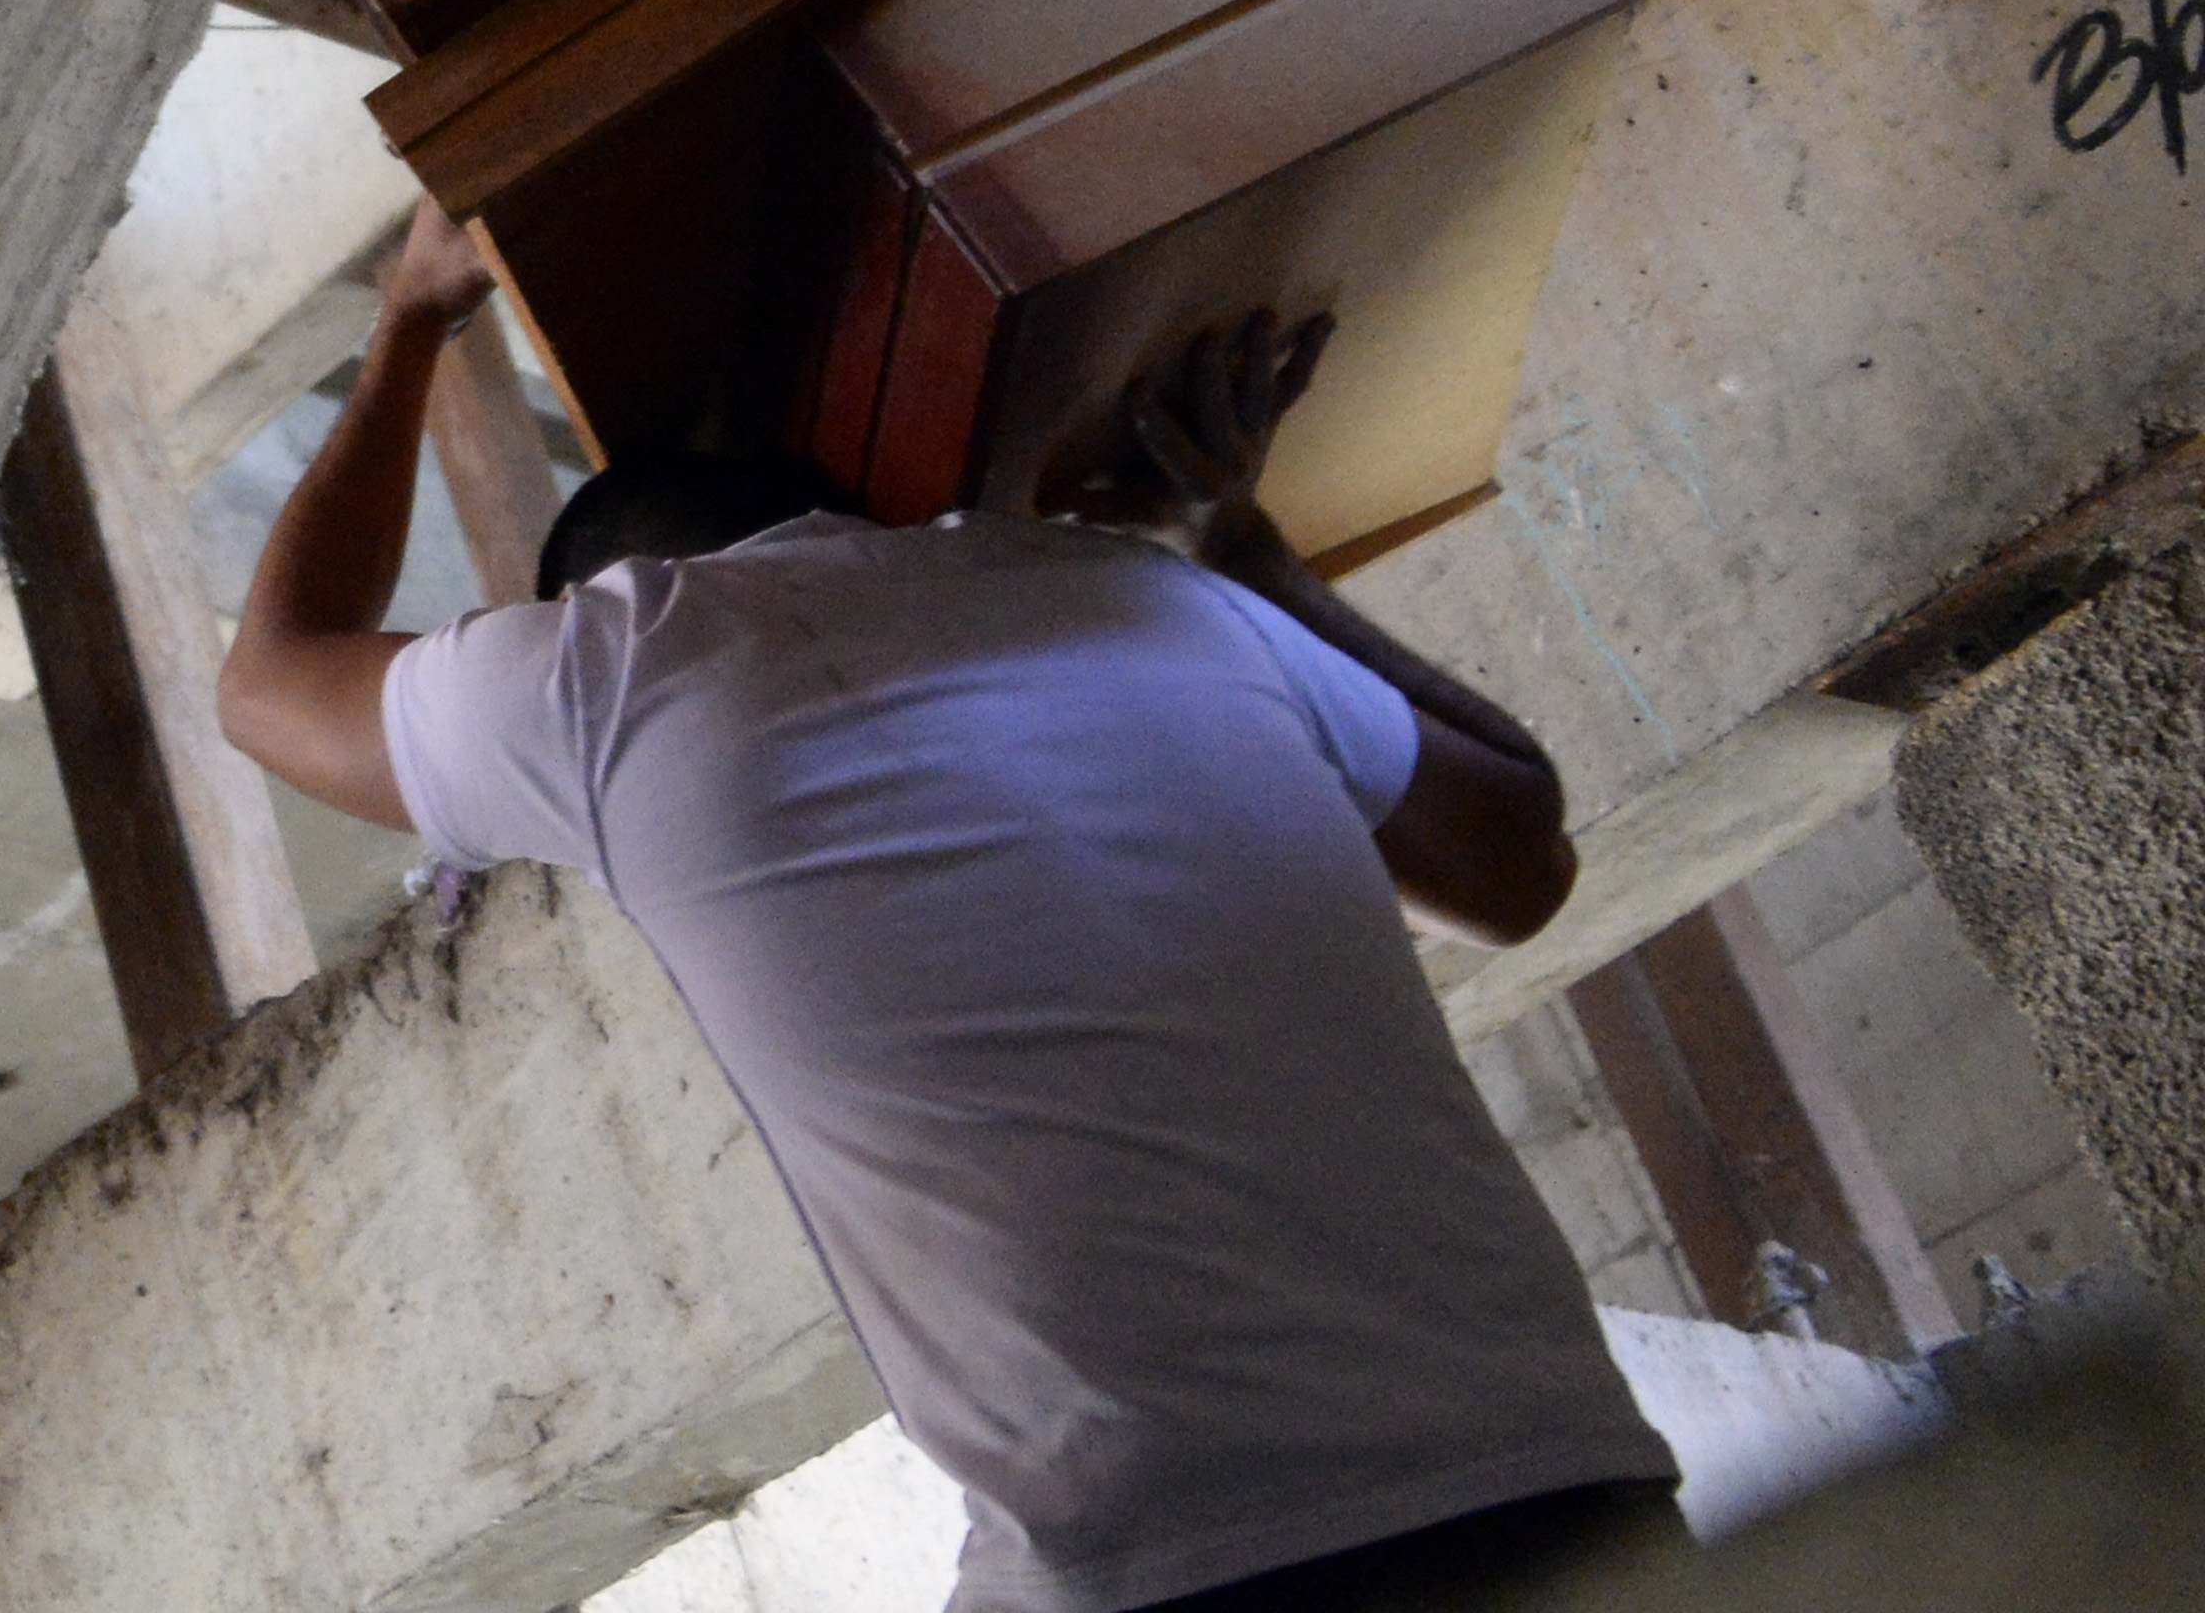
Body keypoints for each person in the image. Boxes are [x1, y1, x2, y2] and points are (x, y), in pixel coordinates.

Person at [214, 203, 1686, 1613]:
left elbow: (273, 679)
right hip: (1557, 1476)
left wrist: (408, 321)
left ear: (591, 594)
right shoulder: (1162, 602)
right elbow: (1515, 868)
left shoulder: (608, 674)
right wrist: (1238, 541)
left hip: (1171, 1551)